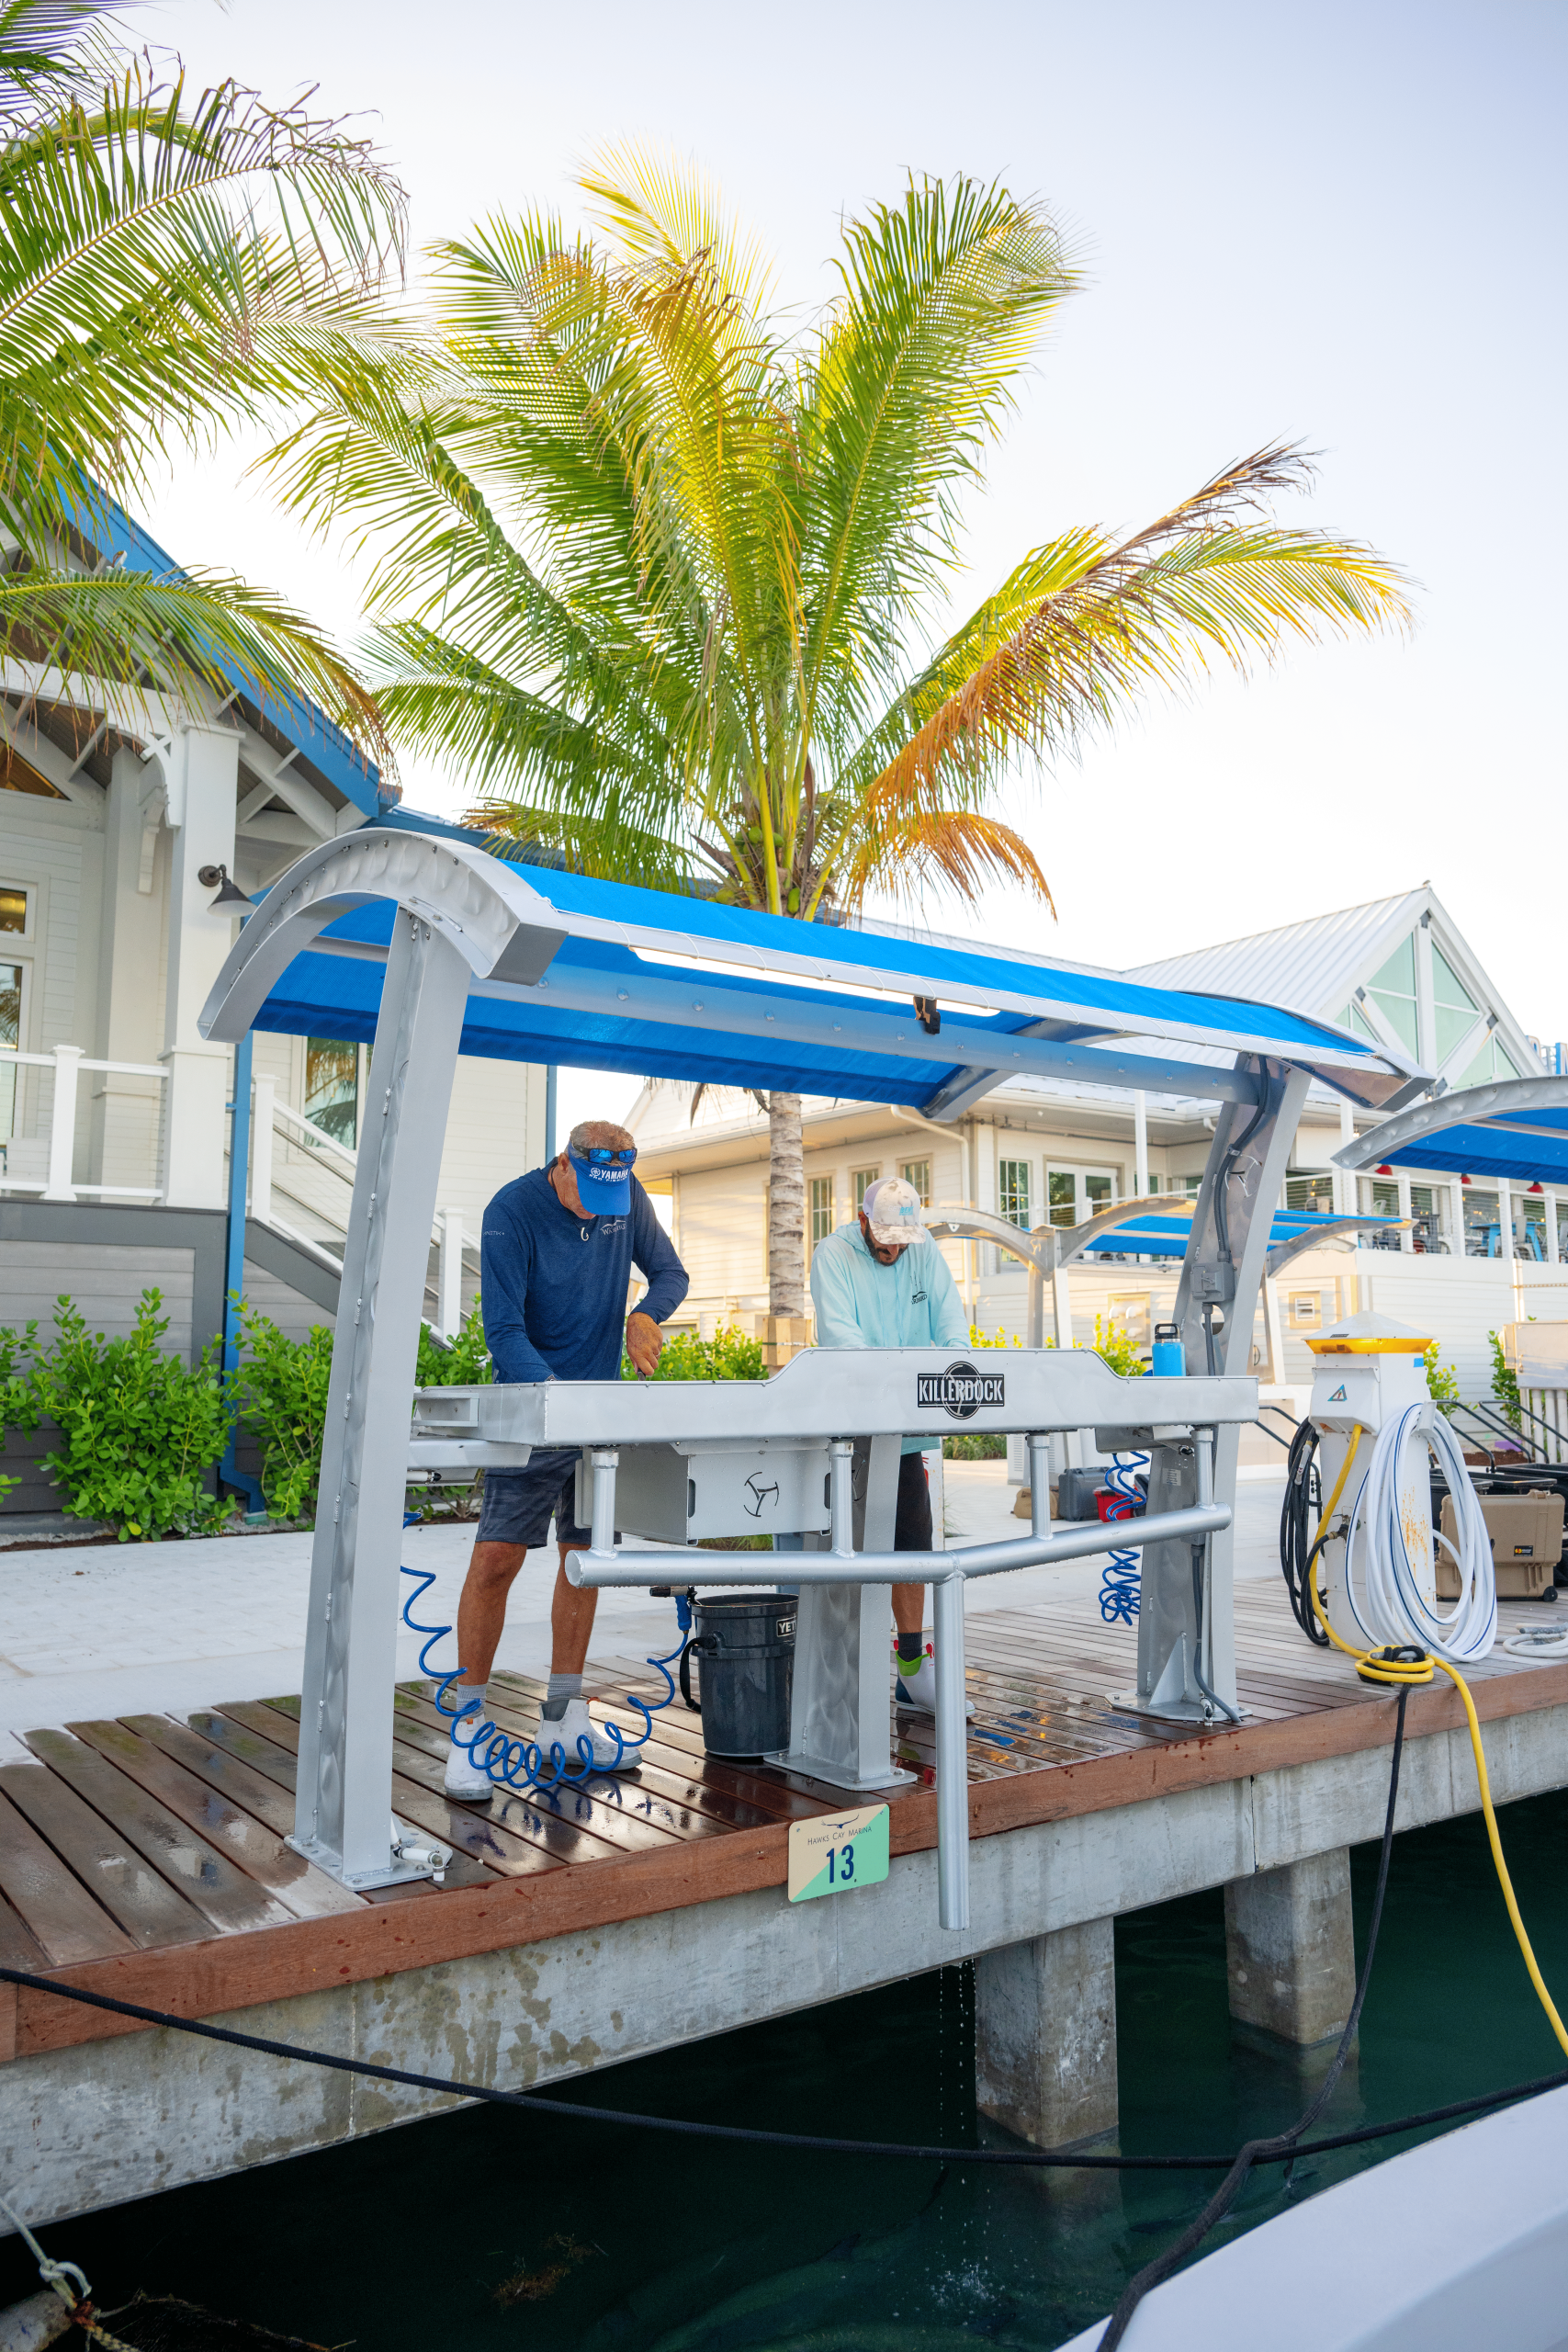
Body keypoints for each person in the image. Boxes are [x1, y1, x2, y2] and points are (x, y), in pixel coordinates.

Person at [444, 1119, 689, 1796]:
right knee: (497, 1559)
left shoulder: (623, 1194)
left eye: (608, 1200)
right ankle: (467, 1726)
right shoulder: (511, 1211)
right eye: (585, 1194)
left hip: (597, 1417)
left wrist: (647, 1313)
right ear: (562, 1165)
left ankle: (564, 1716)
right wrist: (555, 1403)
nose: (597, 1210)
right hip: (531, 1408)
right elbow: (503, 1329)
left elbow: (670, 1271)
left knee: (583, 1563)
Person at [807, 1175, 974, 1715]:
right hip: (846, 1429)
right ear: (862, 1222)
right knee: (842, 1554)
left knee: (912, 1548)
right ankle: (834, 1672)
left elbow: (951, 1326)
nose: (894, 1249)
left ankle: (909, 1668)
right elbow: (841, 1338)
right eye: (885, 1239)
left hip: (905, 1429)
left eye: (902, 1240)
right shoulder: (832, 1254)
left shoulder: (923, 1254)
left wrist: (954, 1371)